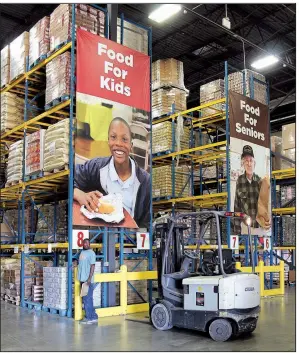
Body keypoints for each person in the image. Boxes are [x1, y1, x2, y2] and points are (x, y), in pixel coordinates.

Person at [74, 117, 150, 228]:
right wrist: (79, 194)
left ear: (131, 146)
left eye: (124, 139)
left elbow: (147, 223)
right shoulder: (95, 167)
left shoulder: (146, 182)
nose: (118, 143)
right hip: (100, 239)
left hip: (130, 241)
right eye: (113, 137)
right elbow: (68, 177)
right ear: (108, 141)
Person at [232, 145, 261, 234]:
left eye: (251, 161)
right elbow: (237, 208)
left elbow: (266, 206)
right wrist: (236, 233)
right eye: (246, 161)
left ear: (254, 163)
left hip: (260, 228)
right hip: (245, 228)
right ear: (243, 164)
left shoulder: (260, 181)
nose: (249, 164)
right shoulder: (239, 181)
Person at [73, 238, 98, 324]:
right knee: (88, 298)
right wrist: (75, 263)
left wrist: (89, 279)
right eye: (84, 243)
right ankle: (93, 316)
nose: (85, 244)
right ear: (82, 244)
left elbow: (93, 266)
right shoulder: (81, 252)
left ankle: (89, 318)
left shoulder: (91, 253)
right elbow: (78, 261)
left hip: (87, 280)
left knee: (87, 299)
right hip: (82, 279)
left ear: (89, 244)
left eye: (87, 243)